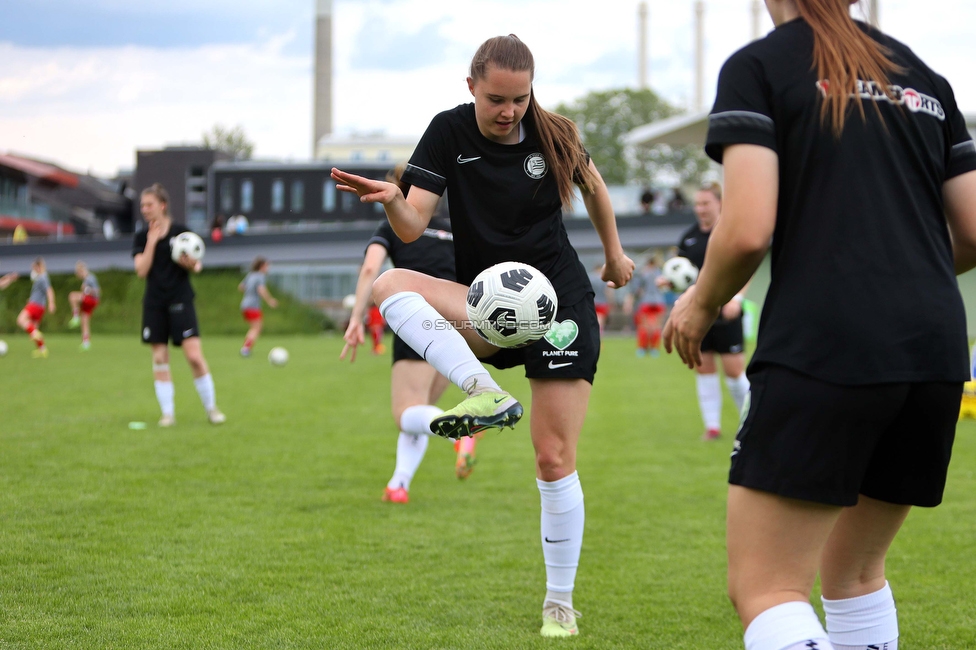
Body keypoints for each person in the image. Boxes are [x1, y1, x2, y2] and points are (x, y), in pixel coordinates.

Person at [663, 1, 976, 649]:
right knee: (855, 575)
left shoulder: (760, 66)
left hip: (829, 340)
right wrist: (901, 277)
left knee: (768, 589)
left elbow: (747, 227)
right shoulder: (923, 77)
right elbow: (973, 230)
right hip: (936, 347)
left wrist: (698, 302)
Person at [331, 34, 634, 638]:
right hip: (487, 305)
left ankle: (559, 603)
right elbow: (413, 226)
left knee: (552, 459)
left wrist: (614, 255)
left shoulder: (556, 133)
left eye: (520, 98)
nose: (510, 111)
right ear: (472, 86)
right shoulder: (447, 132)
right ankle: (481, 389)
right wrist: (393, 199)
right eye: (497, 98)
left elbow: (595, 187)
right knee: (391, 285)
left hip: (558, 306)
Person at [341, 166, 479, 499]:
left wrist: (356, 318)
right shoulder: (452, 228)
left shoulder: (392, 224)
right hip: (460, 323)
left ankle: (461, 430)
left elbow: (372, 267)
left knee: (406, 415)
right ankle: (398, 485)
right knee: (418, 413)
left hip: (418, 318)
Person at [133, 183, 226, 427]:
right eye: (142, 205)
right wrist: (152, 241)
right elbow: (141, 271)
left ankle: (212, 409)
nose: (145, 209)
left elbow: (197, 265)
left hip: (181, 300)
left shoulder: (182, 232)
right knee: (160, 357)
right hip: (155, 303)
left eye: (149, 204)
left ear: (162, 205)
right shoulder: (141, 237)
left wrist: (191, 265)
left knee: (194, 356)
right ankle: (168, 414)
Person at [665, 182, 751, 440]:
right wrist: (669, 282)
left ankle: (750, 423)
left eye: (706, 203)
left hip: (726, 311)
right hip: (699, 312)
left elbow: (745, 265)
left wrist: (736, 298)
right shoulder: (689, 238)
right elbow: (684, 275)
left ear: (719, 203)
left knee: (735, 371)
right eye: (698, 204)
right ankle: (712, 427)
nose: (700, 209)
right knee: (703, 368)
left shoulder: (729, 232)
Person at [625, 256, 666, 357]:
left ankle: (642, 348)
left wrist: (629, 302)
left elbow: (636, 290)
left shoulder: (643, 273)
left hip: (646, 302)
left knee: (644, 327)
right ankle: (654, 349)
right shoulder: (660, 273)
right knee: (656, 327)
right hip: (659, 302)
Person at [239, 256, 279, 357]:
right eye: (267, 266)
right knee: (256, 328)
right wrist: (270, 301)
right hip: (253, 306)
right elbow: (261, 290)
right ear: (262, 266)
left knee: (254, 328)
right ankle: (246, 349)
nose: (268, 268)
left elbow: (241, 287)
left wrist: (249, 291)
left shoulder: (251, 275)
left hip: (245, 305)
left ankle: (246, 347)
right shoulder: (260, 276)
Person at [17, 257, 54, 358]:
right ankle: (42, 349)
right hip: (39, 306)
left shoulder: (42, 277)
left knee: (21, 320)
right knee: (34, 327)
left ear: (38, 266)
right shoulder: (41, 277)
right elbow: (40, 293)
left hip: (35, 305)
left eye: (34, 267)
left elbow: (49, 290)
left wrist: (51, 303)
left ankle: (34, 332)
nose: (33, 270)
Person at [68, 261, 100, 351]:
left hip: (92, 300)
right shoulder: (86, 279)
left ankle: (75, 316)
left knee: (72, 296)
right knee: (84, 320)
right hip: (89, 300)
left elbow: (97, 291)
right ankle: (86, 342)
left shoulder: (90, 278)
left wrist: (89, 291)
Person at [587, 264, 614, 337]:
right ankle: (598, 336)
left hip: (592, 302)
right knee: (600, 321)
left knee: (592, 320)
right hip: (602, 302)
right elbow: (608, 291)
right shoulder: (604, 278)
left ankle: (592, 335)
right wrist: (611, 302)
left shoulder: (590, 277)